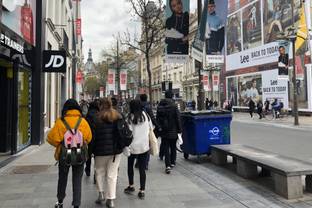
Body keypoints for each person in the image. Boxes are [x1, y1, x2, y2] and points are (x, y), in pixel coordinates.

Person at [47, 99, 92, 208]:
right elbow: (89, 138)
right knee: (77, 179)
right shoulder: (83, 122)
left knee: (62, 178)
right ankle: (76, 204)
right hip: (79, 154)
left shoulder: (60, 122)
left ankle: (60, 201)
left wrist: (61, 144)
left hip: (64, 155)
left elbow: (50, 138)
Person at [92, 98, 125, 208]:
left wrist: (91, 150)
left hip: (100, 150)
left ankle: (101, 194)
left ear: (100, 106)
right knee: (112, 174)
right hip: (115, 151)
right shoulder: (118, 116)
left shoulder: (97, 117)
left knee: (99, 172)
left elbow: (93, 136)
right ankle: (110, 200)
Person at [124, 100, 152, 200]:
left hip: (133, 147)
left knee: (130, 166)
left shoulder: (129, 117)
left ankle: (131, 185)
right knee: (142, 169)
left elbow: (128, 133)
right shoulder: (146, 115)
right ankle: (142, 190)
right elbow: (150, 128)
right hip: (144, 146)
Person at [156, 90, 182, 174]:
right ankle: (173, 162)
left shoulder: (160, 106)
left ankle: (167, 165)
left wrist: (159, 128)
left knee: (166, 148)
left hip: (164, 130)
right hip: (173, 130)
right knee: (173, 146)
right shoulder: (174, 106)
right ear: (171, 96)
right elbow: (178, 118)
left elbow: (157, 119)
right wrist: (179, 129)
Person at [85, 100, 100, 183]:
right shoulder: (99, 114)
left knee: (89, 154)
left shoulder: (88, 115)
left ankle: (87, 169)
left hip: (90, 138)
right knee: (97, 156)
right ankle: (96, 174)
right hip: (98, 138)